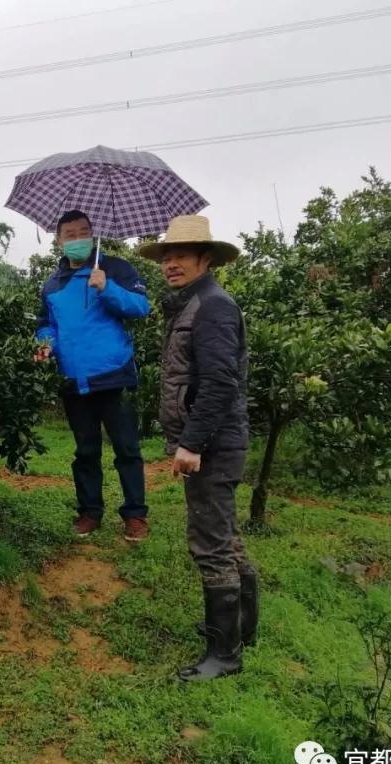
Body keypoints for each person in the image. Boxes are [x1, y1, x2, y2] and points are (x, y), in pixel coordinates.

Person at [138, 214, 257, 682]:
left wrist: (191, 442)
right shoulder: (191, 305)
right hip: (213, 441)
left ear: (206, 259)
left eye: (181, 255)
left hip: (213, 444)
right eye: (166, 256)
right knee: (224, 534)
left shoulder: (213, 307)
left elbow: (219, 384)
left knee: (210, 541)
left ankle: (224, 655)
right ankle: (242, 629)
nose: (171, 264)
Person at [35, 210, 151, 540]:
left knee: (127, 448)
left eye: (83, 232)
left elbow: (141, 308)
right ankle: (89, 512)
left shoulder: (114, 268)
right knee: (85, 451)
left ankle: (135, 515)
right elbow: (47, 326)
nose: (77, 239)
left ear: (93, 234)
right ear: (58, 241)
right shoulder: (52, 284)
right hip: (73, 379)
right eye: (69, 234)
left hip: (114, 376)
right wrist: (45, 345)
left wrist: (107, 287)